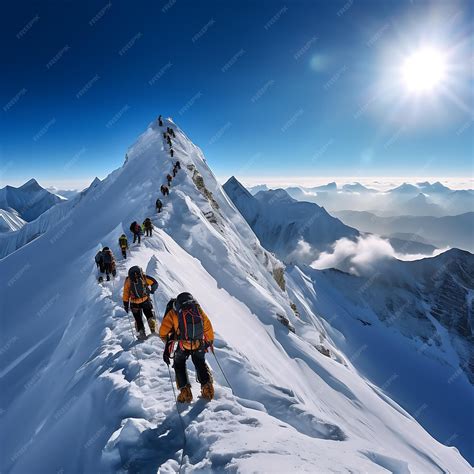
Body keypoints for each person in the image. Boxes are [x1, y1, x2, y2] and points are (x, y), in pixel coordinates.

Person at [159, 292, 214, 403]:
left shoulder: (173, 313)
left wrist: (169, 340)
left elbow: (162, 332)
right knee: (200, 362)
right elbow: (207, 325)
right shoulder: (197, 309)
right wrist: (209, 342)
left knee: (179, 363)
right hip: (198, 343)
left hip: (183, 345)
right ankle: (207, 387)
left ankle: (185, 392)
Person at [123, 266, 158, 340]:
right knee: (149, 315)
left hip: (134, 303)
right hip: (145, 300)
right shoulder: (144, 277)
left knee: (138, 319)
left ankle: (142, 334)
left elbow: (126, 293)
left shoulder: (128, 280)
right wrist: (152, 291)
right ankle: (153, 330)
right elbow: (155, 283)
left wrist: (126, 305)